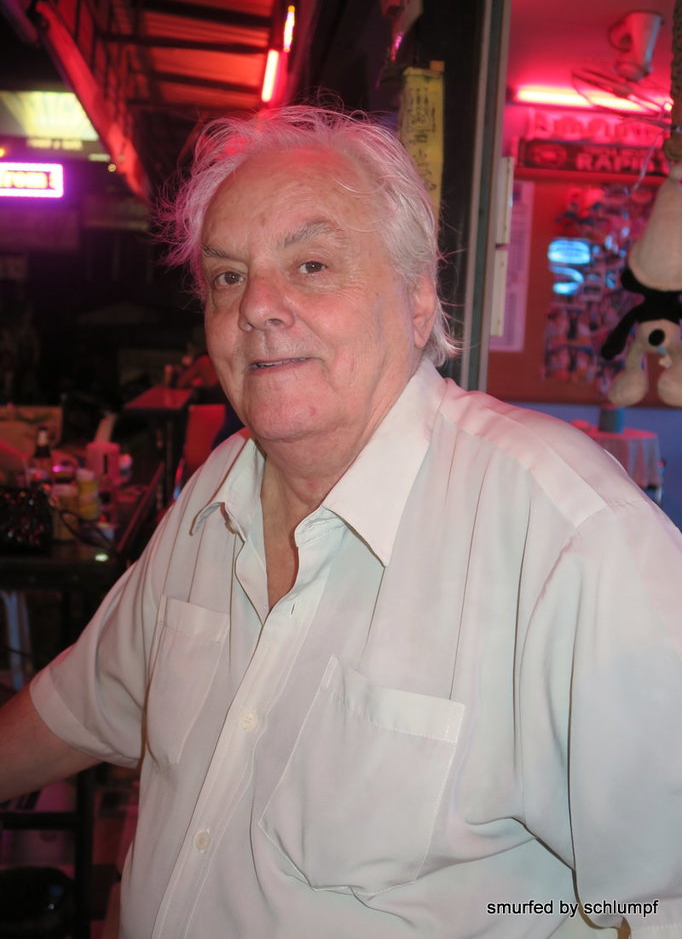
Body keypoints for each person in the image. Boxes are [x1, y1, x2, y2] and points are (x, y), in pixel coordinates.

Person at [1, 105, 682, 939]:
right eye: (227, 276)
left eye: (312, 264)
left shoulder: (571, 539)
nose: (257, 306)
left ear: (419, 298)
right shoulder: (215, 494)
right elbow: (81, 705)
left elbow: (657, 905)